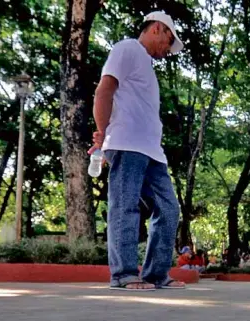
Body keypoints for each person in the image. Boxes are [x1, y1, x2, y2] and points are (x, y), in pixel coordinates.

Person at [91, 11, 185, 291]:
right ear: (157, 28)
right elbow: (104, 90)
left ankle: (157, 274)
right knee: (125, 206)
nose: (168, 50)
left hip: (152, 151)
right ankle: (123, 274)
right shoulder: (127, 48)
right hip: (126, 144)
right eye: (169, 42)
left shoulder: (145, 65)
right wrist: (101, 131)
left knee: (169, 209)